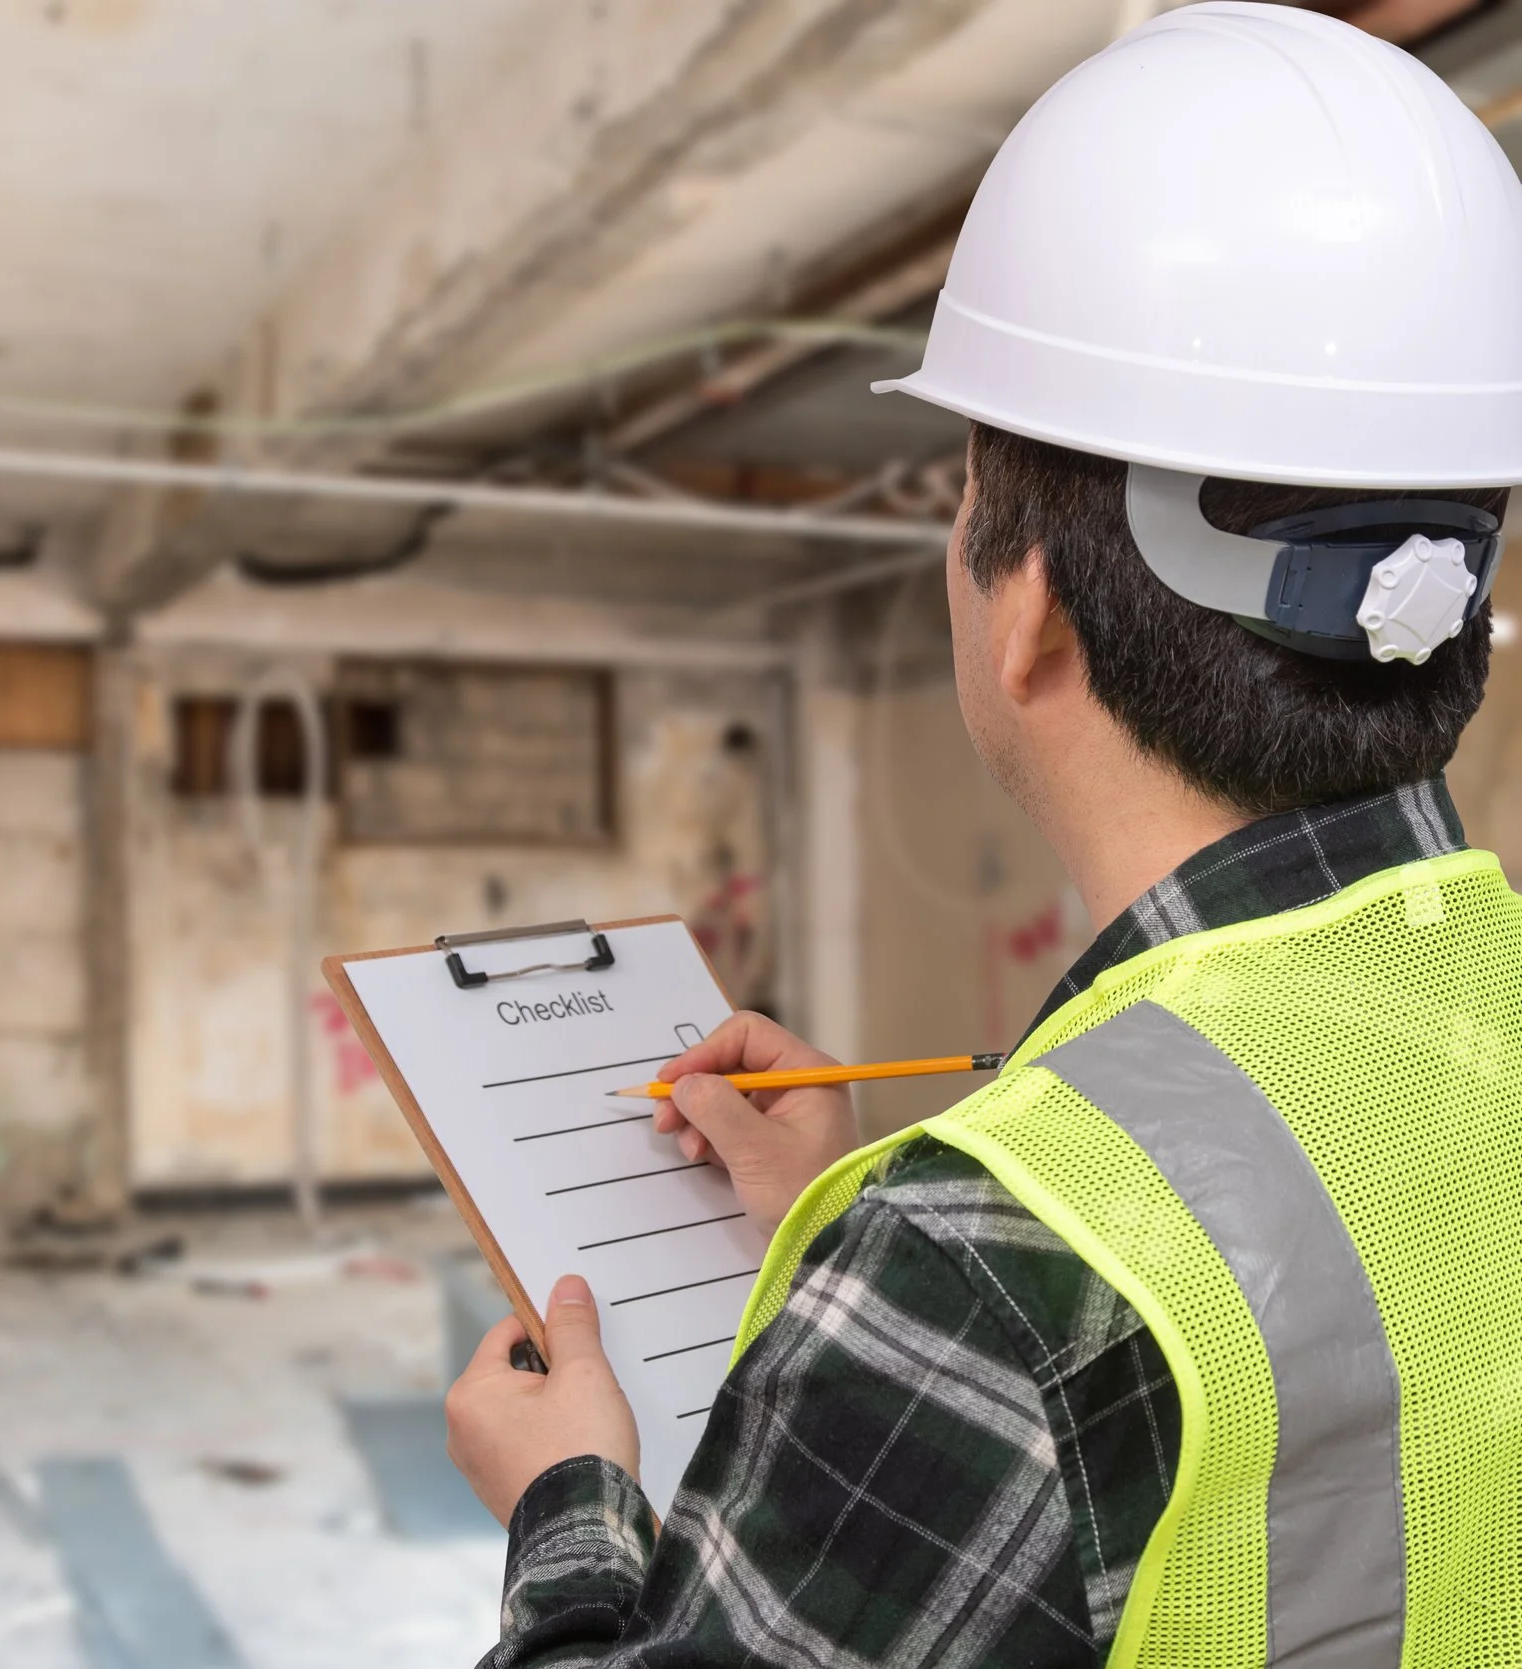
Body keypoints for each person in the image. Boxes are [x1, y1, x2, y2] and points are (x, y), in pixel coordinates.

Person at [443, 6, 1522, 1665]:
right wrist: (858, 1230)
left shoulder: (988, 1265)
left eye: (960, 501)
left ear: (1023, 611)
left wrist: (568, 1507)